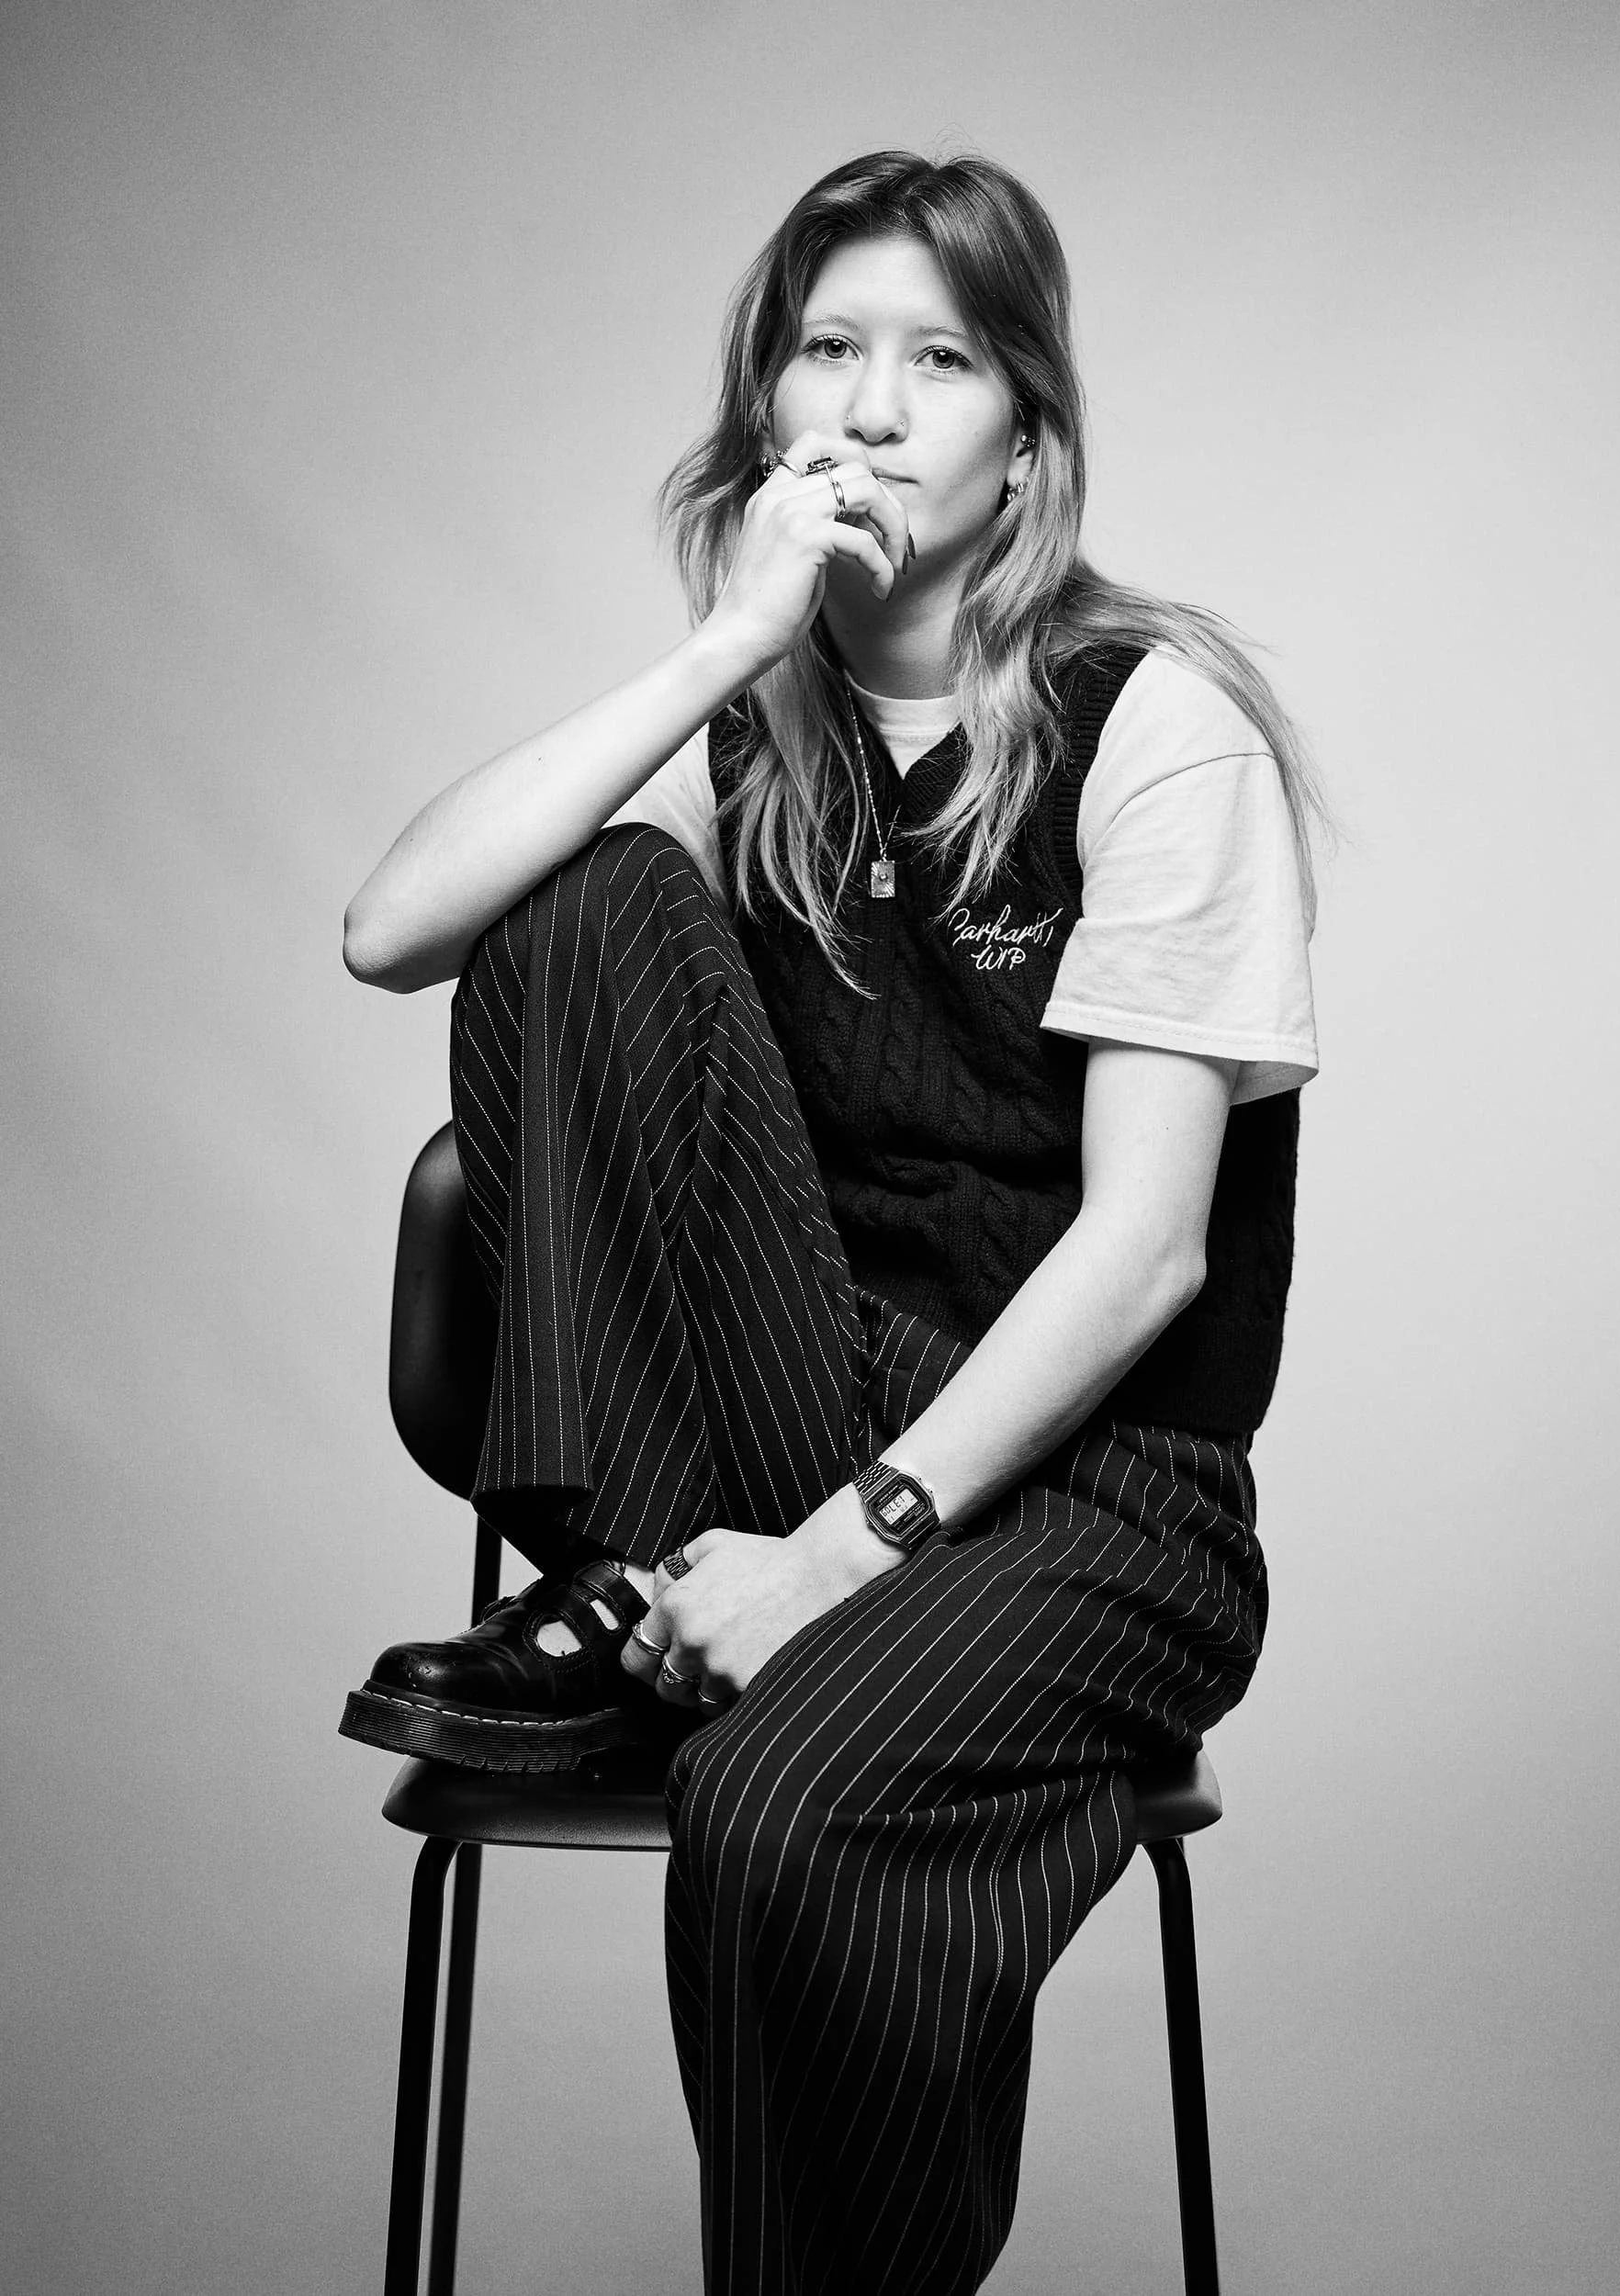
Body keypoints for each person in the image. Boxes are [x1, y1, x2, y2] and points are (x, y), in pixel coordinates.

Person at [339, 149, 1322, 2296]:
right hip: (800, 1420)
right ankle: (626, 1594)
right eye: (825, 351)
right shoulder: (758, 737)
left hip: (1098, 1494)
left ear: (1024, 435)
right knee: (578, 892)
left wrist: (831, 1555)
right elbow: (393, 929)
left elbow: (1150, 1250)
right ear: (767, 411)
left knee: (775, 1809)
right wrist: (723, 640)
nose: (872, 411)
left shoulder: (1153, 730)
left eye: (938, 358)